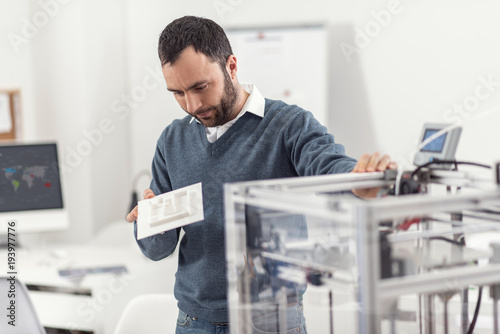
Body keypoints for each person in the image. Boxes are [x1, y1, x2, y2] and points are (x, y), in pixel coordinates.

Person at [126, 15, 396, 334]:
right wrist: (149, 222)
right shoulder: (173, 140)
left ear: (231, 66)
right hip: (194, 322)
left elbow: (329, 166)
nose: (192, 104)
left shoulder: (287, 125)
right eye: (178, 93)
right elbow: (157, 250)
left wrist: (360, 181)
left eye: (201, 87)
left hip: (272, 322)